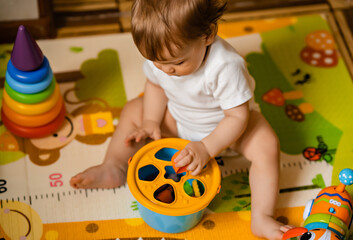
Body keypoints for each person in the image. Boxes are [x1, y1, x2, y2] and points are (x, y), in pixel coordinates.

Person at [70, 0, 291, 239]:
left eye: (177, 63)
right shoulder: (162, 53)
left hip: (228, 130)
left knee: (266, 144)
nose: (166, 70)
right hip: (180, 119)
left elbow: (237, 116)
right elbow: (155, 85)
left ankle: (262, 216)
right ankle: (114, 166)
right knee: (134, 109)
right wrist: (151, 121)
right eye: (157, 62)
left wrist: (207, 146)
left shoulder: (225, 66)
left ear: (207, 35)